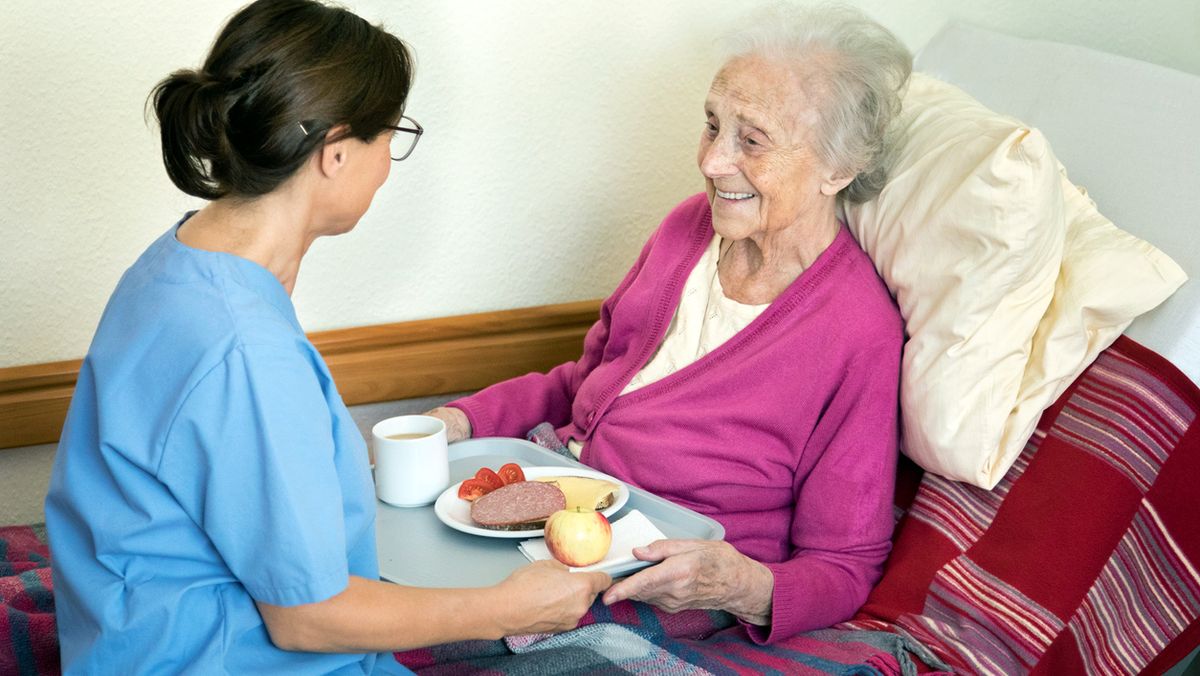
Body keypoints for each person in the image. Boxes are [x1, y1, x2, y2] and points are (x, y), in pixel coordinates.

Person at [43, 1, 608, 673]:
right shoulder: (245, 351)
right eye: (390, 136)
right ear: (336, 151)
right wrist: (510, 607)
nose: (389, 165)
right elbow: (307, 618)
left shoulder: (177, 263)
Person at [428, 4, 912, 643]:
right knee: (354, 592)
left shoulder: (857, 333)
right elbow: (586, 384)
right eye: (713, 126)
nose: (712, 162)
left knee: (400, 642)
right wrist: (459, 420)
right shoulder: (686, 228)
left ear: (839, 168)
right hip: (552, 506)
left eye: (752, 139)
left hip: (655, 584)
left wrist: (733, 582)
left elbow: (844, 567)